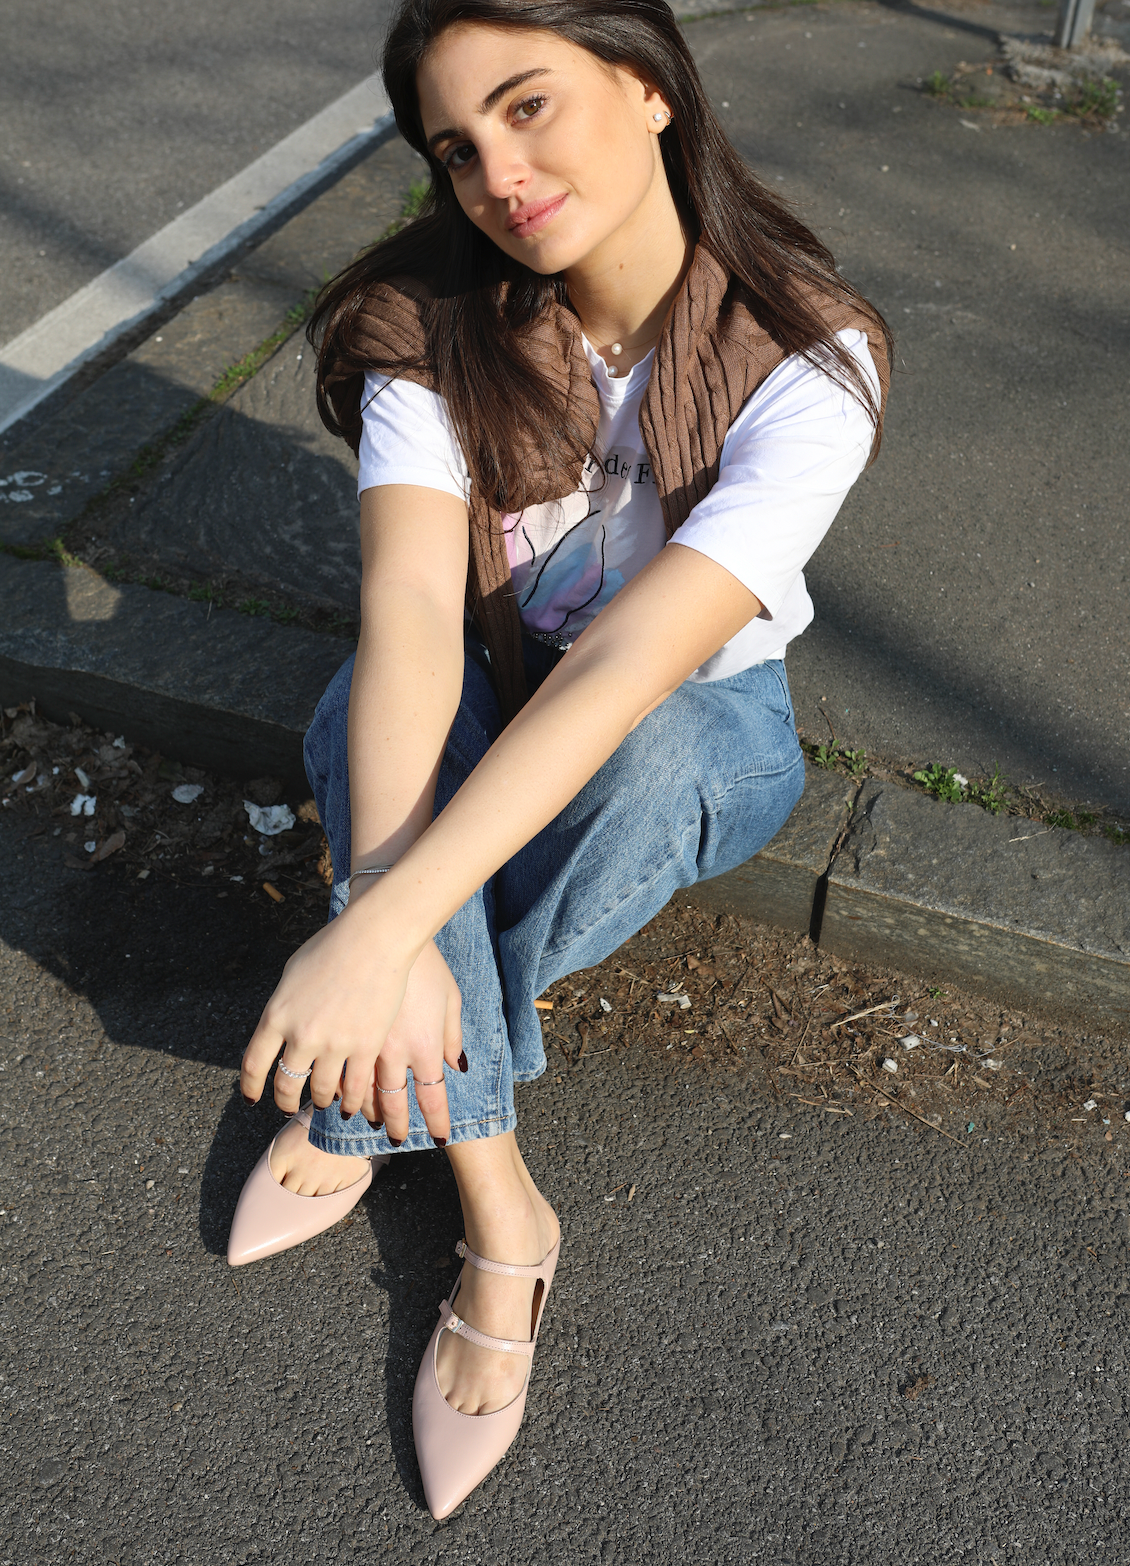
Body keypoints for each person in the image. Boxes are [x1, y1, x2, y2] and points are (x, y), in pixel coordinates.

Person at [230, 0, 890, 1520]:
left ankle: (376, 1076)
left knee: (640, 761)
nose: (496, 173)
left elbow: (623, 666)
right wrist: (388, 921)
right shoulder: (427, 322)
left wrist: (377, 927)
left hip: (692, 721)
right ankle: (495, 1200)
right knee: (362, 717)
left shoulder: (810, 352)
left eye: (530, 107)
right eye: (457, 147)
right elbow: (405, 607)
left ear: (650, 88)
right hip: (480, 672)